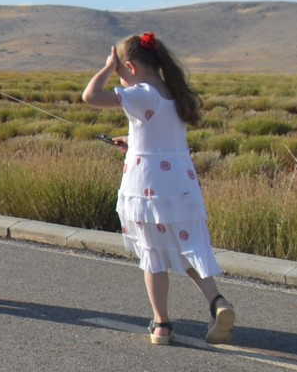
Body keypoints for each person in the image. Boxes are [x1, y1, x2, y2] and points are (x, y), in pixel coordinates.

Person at [83, 32, 236, 346]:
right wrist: (133, 141)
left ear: (130, 66)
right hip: (180, 182)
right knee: (187, 246)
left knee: (152, 254)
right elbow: (159, 133)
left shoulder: (141, 93)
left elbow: (90, 96)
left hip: (149, 186)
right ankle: (217, 301)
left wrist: (107, 68)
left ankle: (161, 324)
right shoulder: (172, 91)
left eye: (121, 69)